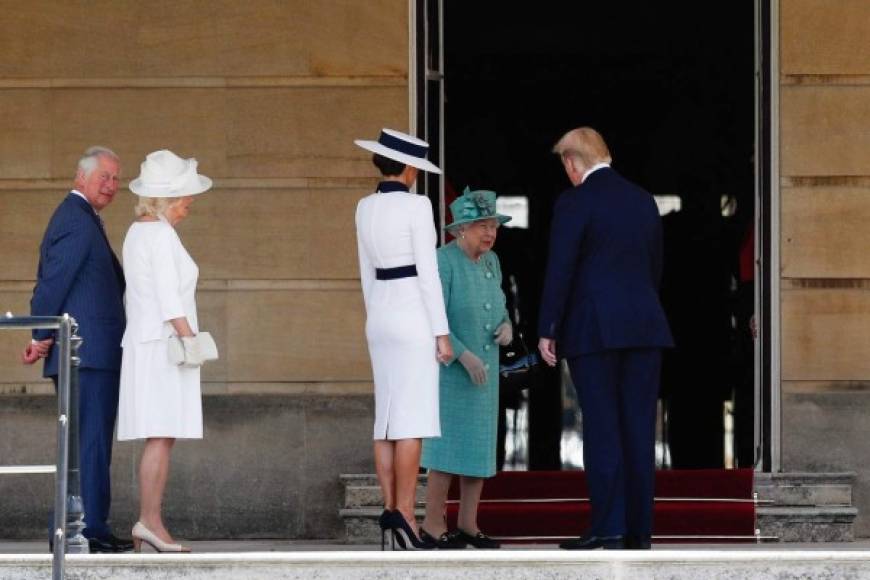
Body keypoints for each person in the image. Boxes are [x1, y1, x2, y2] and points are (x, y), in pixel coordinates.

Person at [538, 127, 673, 550]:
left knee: (602, 427)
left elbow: (561, 267)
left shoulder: (575, 201)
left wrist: (548, 327)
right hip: (645, 328)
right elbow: (655, 266)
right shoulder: (643, 199)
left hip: (594, 330)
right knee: (637, 428)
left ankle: (609, 525)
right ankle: (638, 529)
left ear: (572, 163)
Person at [23, 146, 132, 553]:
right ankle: (83, 531)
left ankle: (86, 527)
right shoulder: (76, 219)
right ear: (80, 177)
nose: (111, 185)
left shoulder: (84, 218)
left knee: (89, 443)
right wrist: (39, 335)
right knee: (87, 444)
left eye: (116, 178)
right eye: (104, 176)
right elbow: (53, 281)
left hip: (90, 353)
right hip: (85, 354)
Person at [354, 129, 453, 550]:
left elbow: (365, 273)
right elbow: (428, 274)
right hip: (413, 314)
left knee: (386, 419)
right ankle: (407, 517)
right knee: (410, 419)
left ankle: (391, 508)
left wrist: (375, 315)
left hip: (380, 315)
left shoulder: (364, 206)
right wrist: (441, 332)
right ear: (409, 168)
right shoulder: (417, 204)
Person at [118, 149, 213, 553]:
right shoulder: (157, 234)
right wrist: (191, 339)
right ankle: (149, 521)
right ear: (169, 199)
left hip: (150, 344)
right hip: (162, 345)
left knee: (162, 434)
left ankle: (150, 522)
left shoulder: (141, 231)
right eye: (185, 198)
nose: (190, 204)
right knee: (160, 434)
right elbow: (169, 297)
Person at [420, 187, 512, 550]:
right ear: (461, 230)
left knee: (478, 449)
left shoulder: (492, 262)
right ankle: (431, 524)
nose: (489, 233)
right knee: (444, 451)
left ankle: (469, 525)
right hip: (452, 370)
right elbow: (434, 316)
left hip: (485, 371)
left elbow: (501, 305)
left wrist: (507, 327)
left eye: (493, 226)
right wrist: (462, 354)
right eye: (481, 226)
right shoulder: (442, 261)